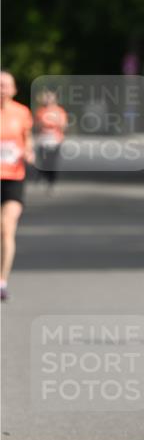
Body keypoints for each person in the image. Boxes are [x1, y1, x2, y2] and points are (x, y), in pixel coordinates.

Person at [1, 71, 35, 302]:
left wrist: (28, 151)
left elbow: (27, 138)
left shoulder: (22, 112)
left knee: (6, 225)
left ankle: (1, 281)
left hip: (13, 177)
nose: (1, 89)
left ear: (13, 89)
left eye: (5, 85)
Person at [34, 88, 67, 189]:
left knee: (52, 161)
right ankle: (42, 177)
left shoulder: (59, 111)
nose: (48, 99)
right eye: (46, 97)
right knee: (43, 160)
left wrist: (54, 122)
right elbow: (36, 125)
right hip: (43, 139)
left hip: (55, 139)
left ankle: (51, 181)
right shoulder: (40, 111)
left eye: (50, 97)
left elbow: (63, 126)